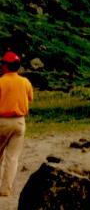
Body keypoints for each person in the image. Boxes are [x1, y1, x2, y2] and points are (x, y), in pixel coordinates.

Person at [0, 51, 33, 197]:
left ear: (6, 66)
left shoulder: (1, 81)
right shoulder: (25, 82)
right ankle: (5, 189)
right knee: (12, 157)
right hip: (19, 122)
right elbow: (30, 98)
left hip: (1, 121)